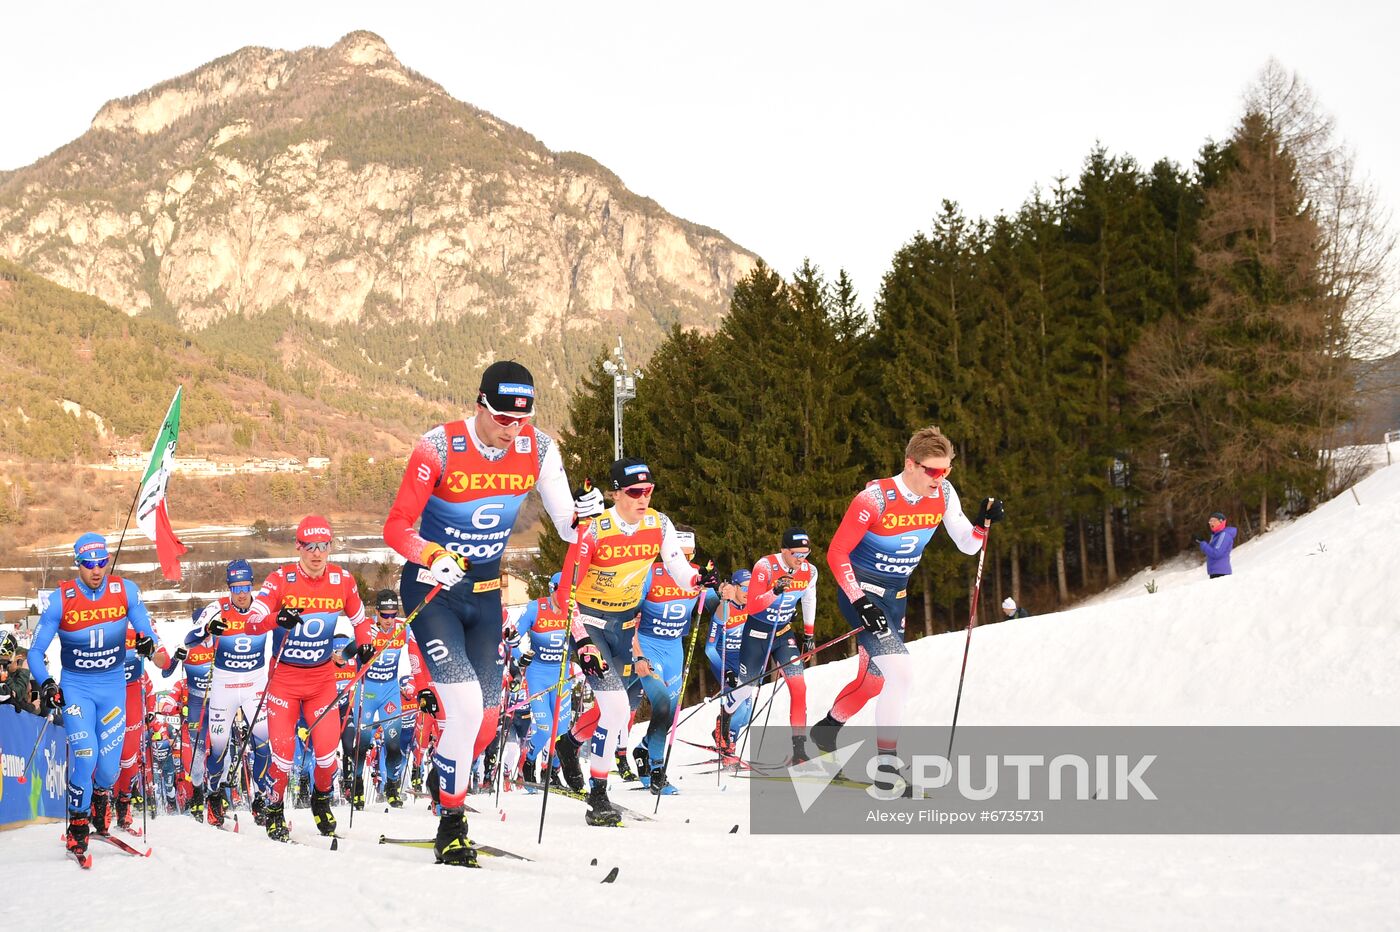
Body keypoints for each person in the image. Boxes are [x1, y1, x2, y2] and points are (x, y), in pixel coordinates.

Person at [382, 360, 598, 866]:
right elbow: (396, 527)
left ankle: (445, 772)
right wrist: (429, 555)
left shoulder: (539, 449)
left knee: (487, 718)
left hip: (484, 594)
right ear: (479, 403)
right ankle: (451, 826)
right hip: (432, 592)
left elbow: (569, 527)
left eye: (521, 420)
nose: (512, 430)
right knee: (462, 706)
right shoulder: (437, 446)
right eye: (502, 418)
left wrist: (585, 514)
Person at [810, 426, 1003, 773]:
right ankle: (887, 768)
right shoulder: (874, 500)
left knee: (874, 682)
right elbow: (837, 552)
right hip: (861, 592)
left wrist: (982, 524)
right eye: (932, 470)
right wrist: (859, 601)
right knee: (901, 674)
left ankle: (825, 732)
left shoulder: (943, 493)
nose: (939, 477)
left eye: (945, 470)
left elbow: (968, 544)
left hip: (896, 597)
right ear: (910, 464)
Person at [554, 457, 717, 826]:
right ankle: (598, 795)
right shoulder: (594, 531)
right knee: (614, 709)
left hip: (626, 626)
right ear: (615, 493)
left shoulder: (658, 523)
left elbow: (677, 566)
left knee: (625, 704)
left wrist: (697, 580)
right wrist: (582, 642)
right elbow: (565, 595)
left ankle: (570, 745)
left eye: (649, 490)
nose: (644, 498)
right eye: (634, 492)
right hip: (591, 624)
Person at [27, 533, 167, 859]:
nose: (96, 569)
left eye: (101, 562)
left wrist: (150, 646)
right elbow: (35, 651)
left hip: (112, 689)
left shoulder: (125, 591)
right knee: (86, 756)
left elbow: (154, 646)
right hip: (77, 687)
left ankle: (101, 799)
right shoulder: (62, 599)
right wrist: (47, 682)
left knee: (107, 769)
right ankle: (77, 826)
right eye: (89, 564)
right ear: (78, 563)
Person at [245, 516, 371, 842]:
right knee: (283, 759)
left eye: (323, 547)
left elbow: (361, 621)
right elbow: (253, 622)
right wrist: (277, 618)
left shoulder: (342, 580)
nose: (317, 554)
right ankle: (274, 808)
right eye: (310, 547)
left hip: (321, 681)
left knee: (328, 757)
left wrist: (366, 643)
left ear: (331, 547)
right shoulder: (280, 579)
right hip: (284, 680)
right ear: (298, 546)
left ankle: (321, 798)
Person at [190, 559, 272, 828]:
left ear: (252, 584)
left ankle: (262, 796)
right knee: (219, 749)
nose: (240, 593)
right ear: (229, 587)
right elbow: (190, 638)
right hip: (224, 686)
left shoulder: (262, 606)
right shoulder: (217, 608)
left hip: (254, 684)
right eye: (235, 587)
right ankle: (213, 794)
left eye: (245, 586)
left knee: (262, 743)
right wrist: (207, 629)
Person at [730, 528, 820, 763]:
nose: (801, 559)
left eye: (805, 553)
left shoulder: (809, 571)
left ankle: (799, 750)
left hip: (783, 633)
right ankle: (724, 724)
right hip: (757, 633)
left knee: (799, 686)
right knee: (745, 690)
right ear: (783, 551)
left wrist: (808, 634)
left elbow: (809, 599)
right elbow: (752, 606)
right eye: (796, 554)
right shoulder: (765, 567)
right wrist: (774, 591)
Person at [626, 527, 704, 794]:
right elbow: (628, 616)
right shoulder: (650, 574)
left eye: (688, 556)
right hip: (649, 647)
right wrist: (638, 655)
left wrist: (724, 593)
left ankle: (644, 748)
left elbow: (718, 604)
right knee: (660, 705)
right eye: (677, 556)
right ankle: (658, 770)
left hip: (674, 650)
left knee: (670, 713)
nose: (683, 563)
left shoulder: (696, 577)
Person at [512, 573, 573, 788]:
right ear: (552, 589)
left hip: (563, 675)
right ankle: (528, 763)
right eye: (563, 590)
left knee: (563, 732)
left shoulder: (574, 609)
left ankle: (553, 771)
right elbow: (511, 638)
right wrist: (521, 656)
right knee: (546, 728)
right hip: (538, 675)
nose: (566, 596)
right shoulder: (534, 608)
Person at [165, 608, 215, 819]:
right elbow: (166, 676)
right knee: (193, 762)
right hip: (193, 720)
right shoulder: (187, 650)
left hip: (215, 712)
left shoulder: (221, 645)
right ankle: (196, 799)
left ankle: (215, 803)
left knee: (217, 760)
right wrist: (176, 659)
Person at [704, 570, 753, 757]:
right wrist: (725, 672)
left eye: (752, 587)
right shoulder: (724, 610)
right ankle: (727, 746)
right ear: (734, 587)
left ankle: (725, 740)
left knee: (746, 714)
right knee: (738, 707)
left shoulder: (752, 607)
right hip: (724, 662)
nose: (749, 592)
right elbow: (709, 648)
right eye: (745, 588)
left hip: (745, 664)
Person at [1194, 512, 1236, 578]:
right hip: (1216, 572)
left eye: (1213, 521)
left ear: (1221, 522)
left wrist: (1203, 544)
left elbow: (1216, 553)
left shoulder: (1224, 535)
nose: (1211, 523)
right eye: (1210, 521)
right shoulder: (1216, 535)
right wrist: (1201, 542)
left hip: (1221, 573)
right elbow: (1211, 552)